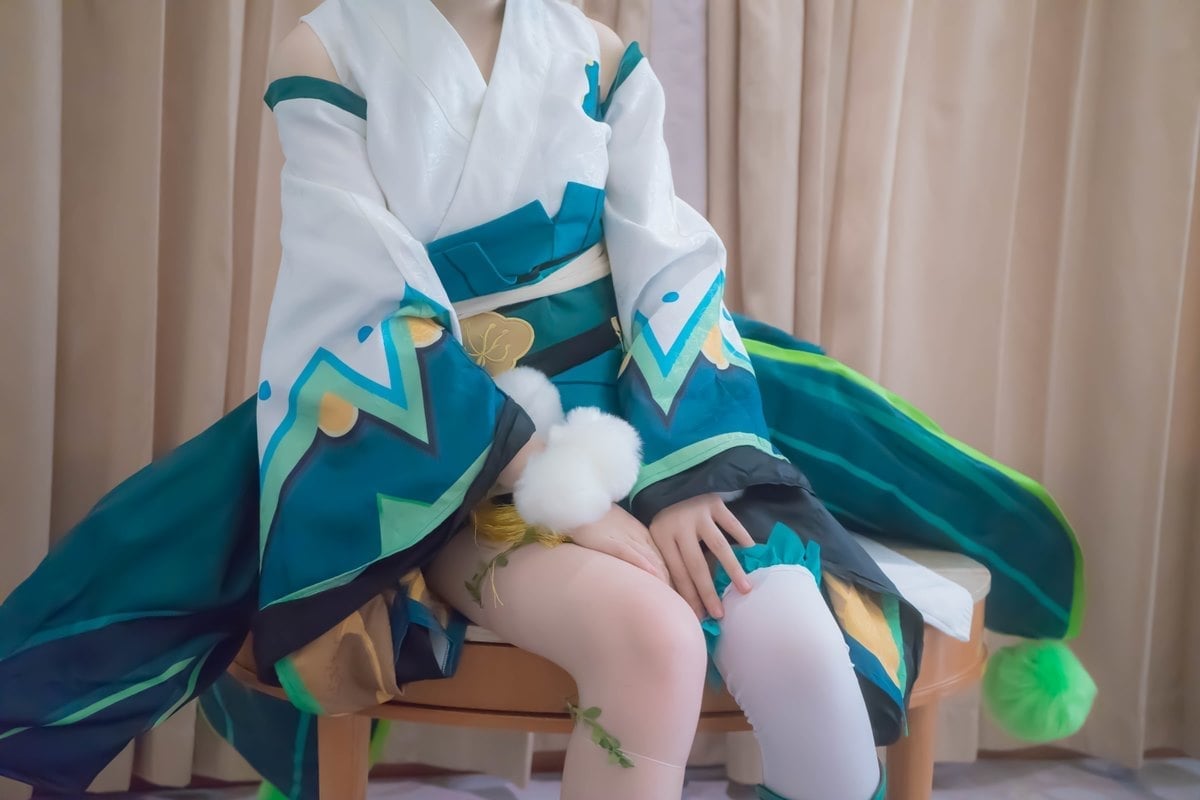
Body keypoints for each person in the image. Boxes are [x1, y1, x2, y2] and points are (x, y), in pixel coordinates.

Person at [0, 2, 1090, 799]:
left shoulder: (602, 57)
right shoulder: (327, 49)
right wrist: (552, 483)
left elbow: (669, 270)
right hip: (454, 451)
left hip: (645, 426)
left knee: (803, 645)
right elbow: (358, 295)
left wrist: (682, 481)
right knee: (652, 640)